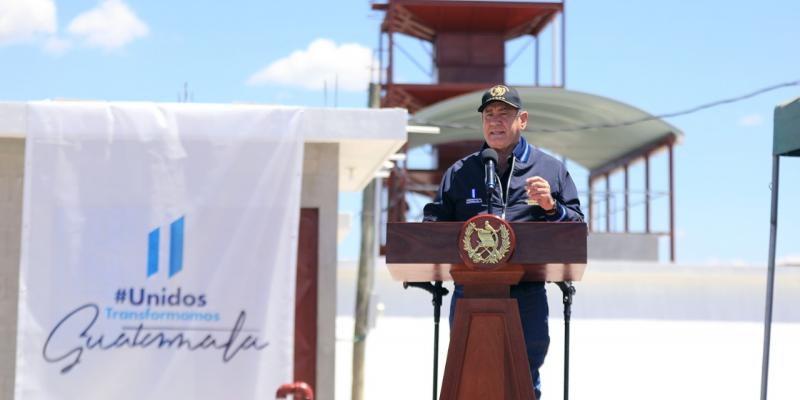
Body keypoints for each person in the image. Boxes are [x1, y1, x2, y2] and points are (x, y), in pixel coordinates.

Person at [423, 84, 584, 399]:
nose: (495, 122)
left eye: (504, 114)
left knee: (524, 380)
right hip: (470, 292)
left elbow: (577, 230)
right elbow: (432, 228)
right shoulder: (460, 172)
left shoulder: (550, 169)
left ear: (522, 119)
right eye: (489, 115)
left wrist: (552, 207)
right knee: (470, 376)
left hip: (527, 293)